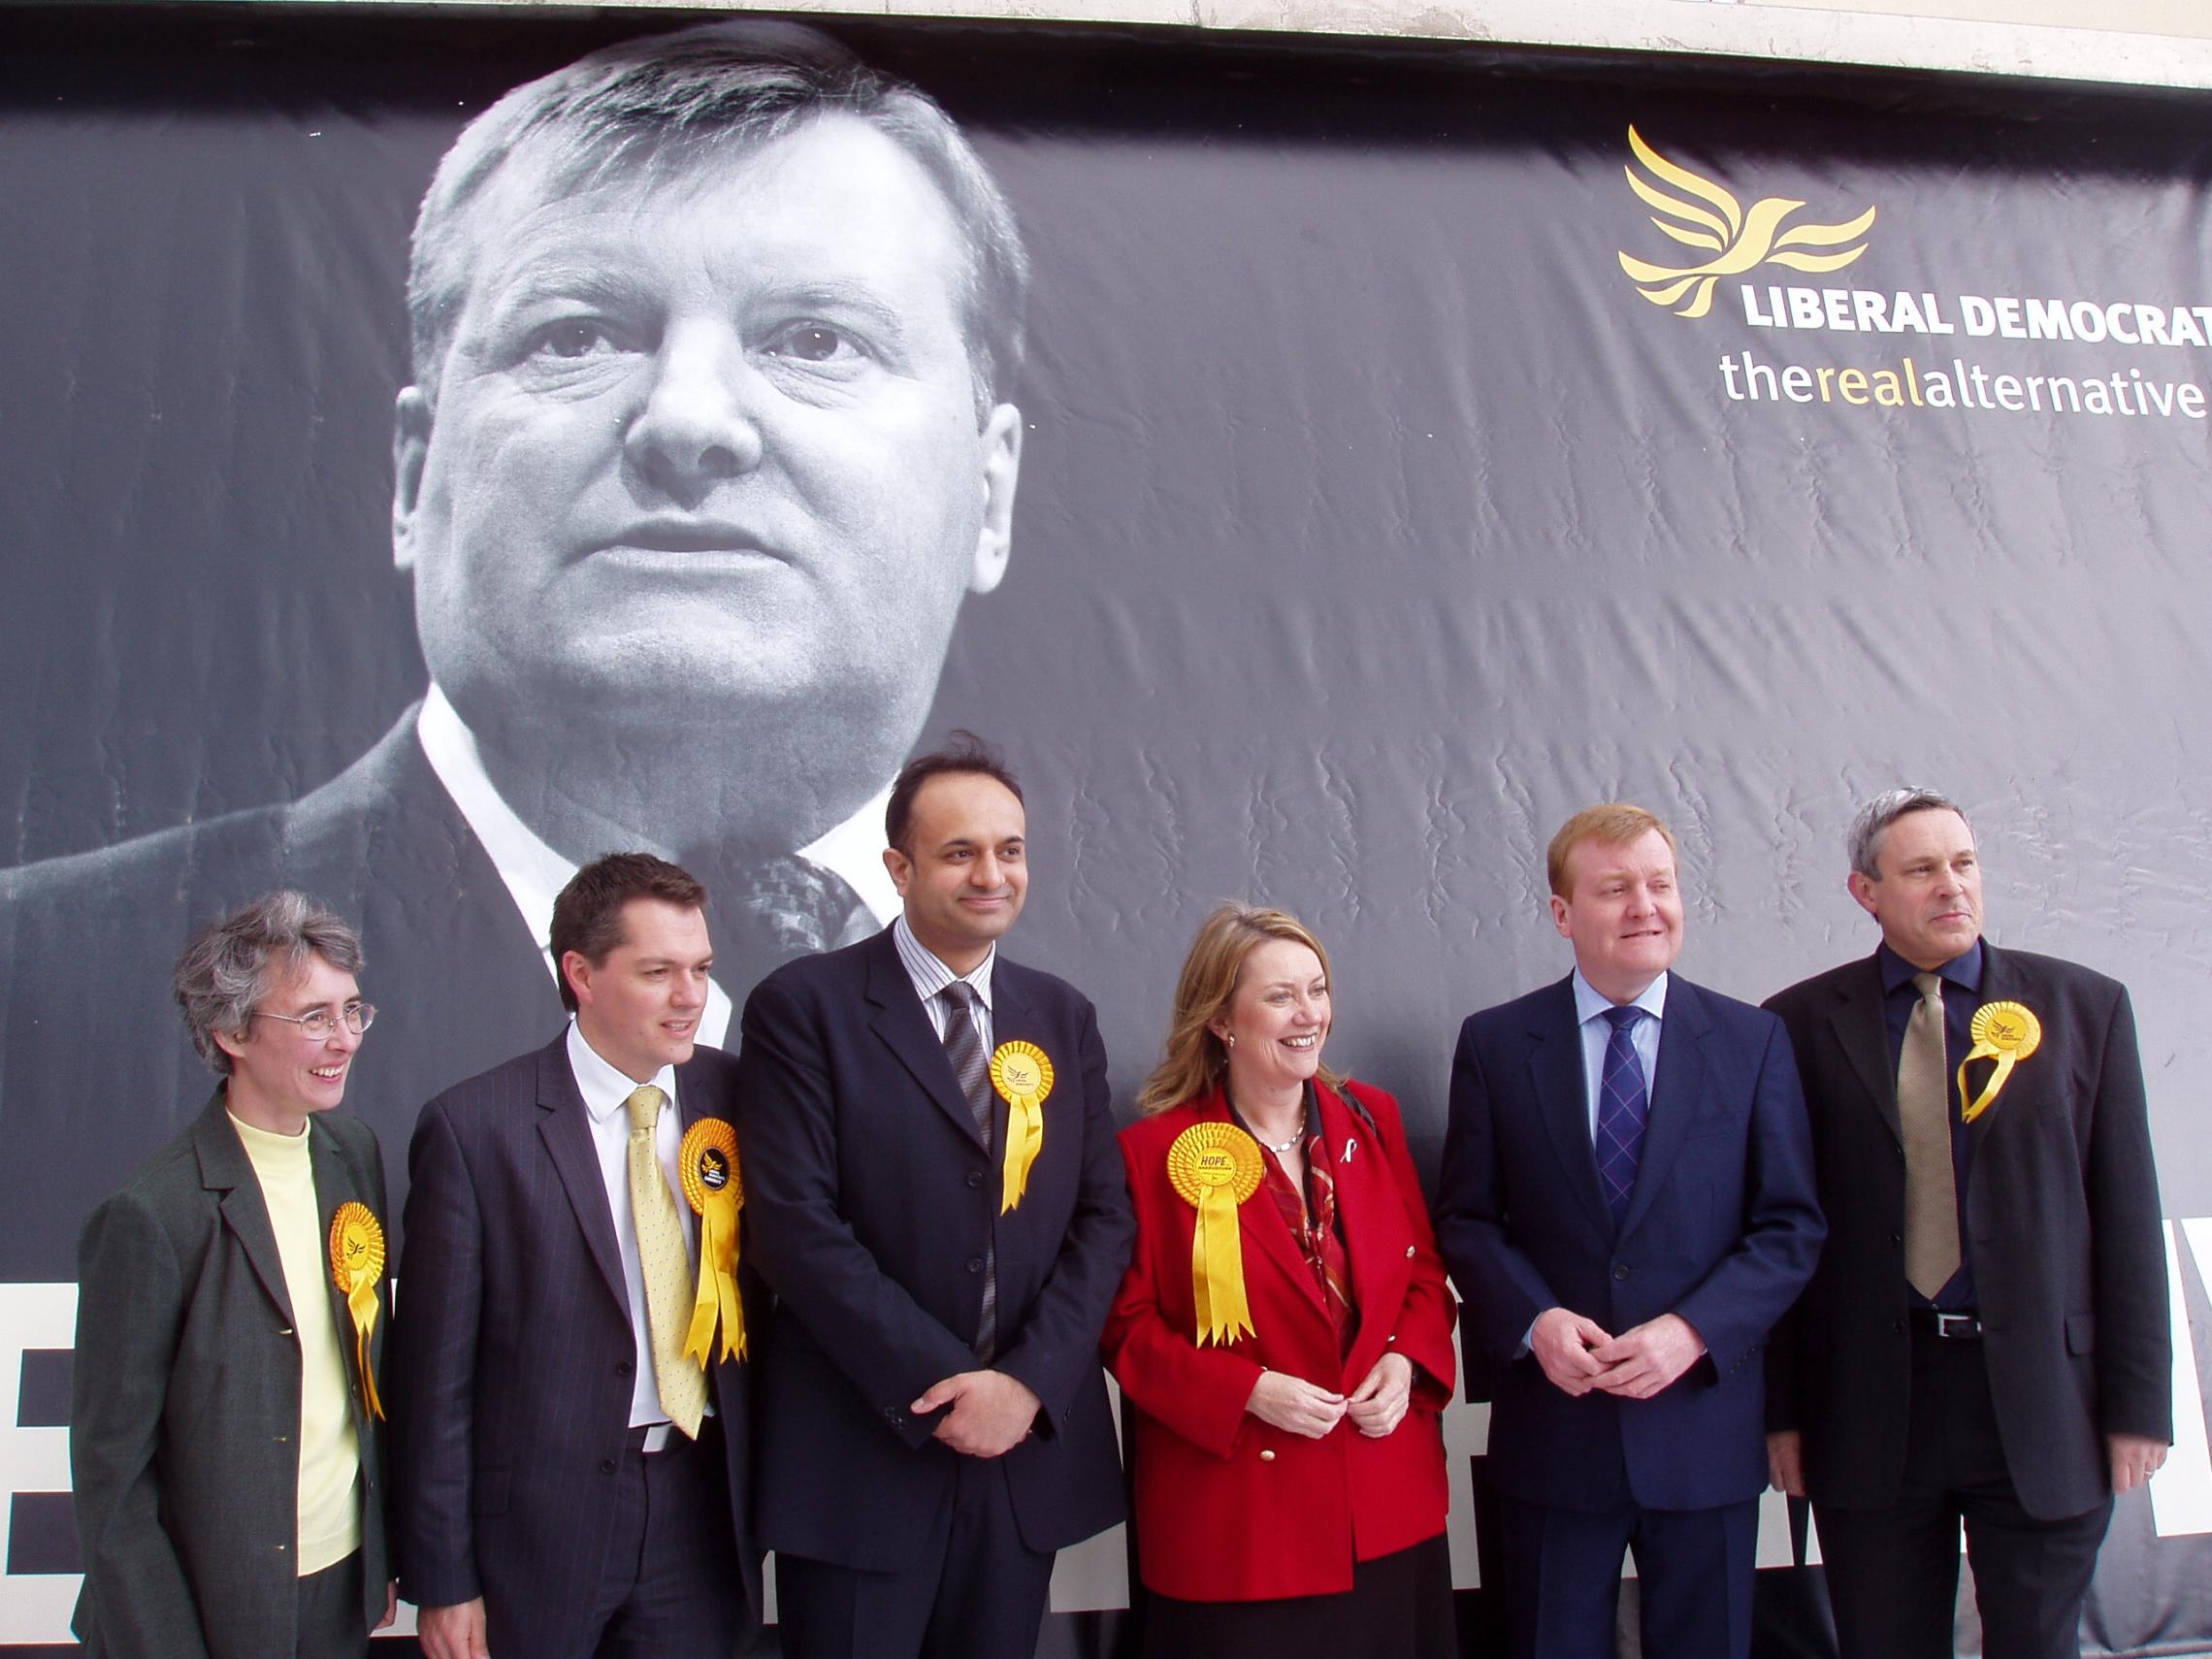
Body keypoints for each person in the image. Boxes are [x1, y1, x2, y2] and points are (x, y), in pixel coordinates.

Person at [0, 16, 1031, 1276]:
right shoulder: (40, 980)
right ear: (414, 471)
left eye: (815, 340)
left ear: (991, 494)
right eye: (577, 335)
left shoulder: (1079, 1045)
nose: (688, 421)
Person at [733, 733, 1133, 1659]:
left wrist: (1025, 1386)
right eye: (959, 853)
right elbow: (796, 1230)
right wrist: (948, 1390)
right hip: (865, 1464)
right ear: (898, 867)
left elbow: (1103, 1219)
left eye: (1010, 849)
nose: (990, 874)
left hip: (1017, 1462)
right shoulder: (805, 1008)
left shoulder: (1061, 1016)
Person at [1762, 789, 2170, 1659]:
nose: (1952, 886)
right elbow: (1782, 1235)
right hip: (1872, 1411)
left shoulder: (2084, 1008)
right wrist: (1783, 1414)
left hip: (2042, 1407)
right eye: (1921, 870)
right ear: (1864, 892)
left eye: (1964, 863)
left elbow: (2128, 1216)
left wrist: (2140, 1406)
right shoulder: (1793, 1026)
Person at [1434, 803, 1823, 1659]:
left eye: (1661, 884)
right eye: (1616, 888)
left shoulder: (1752, 1042)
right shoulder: (1498, 1045)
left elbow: (1789, 1227)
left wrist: (1693, 1332)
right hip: (1555, 1436)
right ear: (1563, 915)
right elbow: (1465, 1218)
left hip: (1702, 1436)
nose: (1647, 905)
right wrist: (1535, 1323)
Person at [386, 854, 759, 1659]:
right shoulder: (474, 1127)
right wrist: (444, 1579)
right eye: (659, 971)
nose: (691, 996)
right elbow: (433, 1381)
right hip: (534, 1532)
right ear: (581, 974)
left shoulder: (742, 1100)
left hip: (702, 1508)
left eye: (700, 969)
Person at [1102, 903, 1457, 1658]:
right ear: (1221, 1020)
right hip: (1239, 1535)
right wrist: (1246, 1392)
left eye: (1318, 990)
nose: (1310, 1015)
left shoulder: (1374, 1121)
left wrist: (1406, 1361)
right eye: (1280, 996)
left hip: (1385, 1511)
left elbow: (1423, 1275)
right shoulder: (1150, 1153)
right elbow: (1125, 1329)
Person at [70, 893, 393, 1657]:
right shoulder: (152, 1216)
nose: (343, 1038)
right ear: (231, 1032)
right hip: (213, 1605)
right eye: (313, 1016)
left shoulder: (353, 1155)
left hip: (343, 1584)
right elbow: (112, 1481)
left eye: (352, 1011)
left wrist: (374, 1556)